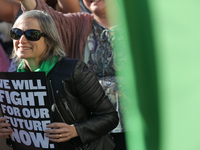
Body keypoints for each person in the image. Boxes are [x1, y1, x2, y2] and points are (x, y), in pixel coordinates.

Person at [0, 10, 118, 150]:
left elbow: (109, 117)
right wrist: (12, 132)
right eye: (16, 33)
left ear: (49, 41)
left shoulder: (74, 71)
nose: (21, 40)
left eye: (32, 34)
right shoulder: (14, 80)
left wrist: (75, 130)